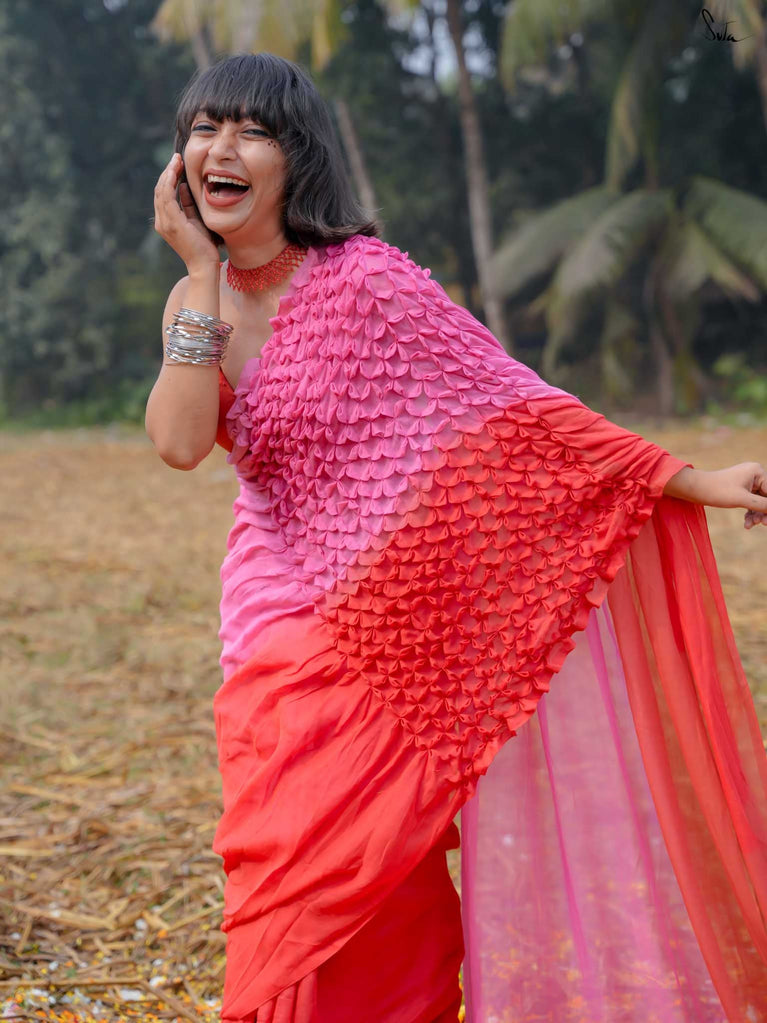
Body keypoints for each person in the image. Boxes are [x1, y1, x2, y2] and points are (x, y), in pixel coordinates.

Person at [146, 53, 767, 1023]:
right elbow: (180, 443)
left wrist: (687, 480)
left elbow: (515, 409)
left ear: (295, 157)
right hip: (272, 639)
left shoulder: (368, 281)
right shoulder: (198, 301)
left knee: (382, 880)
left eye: (252, 131)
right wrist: (198, 276)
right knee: (286, 871)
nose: (221, 150)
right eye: (203, 128)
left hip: (390, 632)